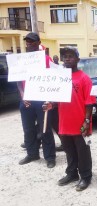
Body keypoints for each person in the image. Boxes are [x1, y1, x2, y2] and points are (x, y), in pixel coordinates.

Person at [43, 46, 96, 191]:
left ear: (77, 59)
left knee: (82, 151)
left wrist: (86, 121)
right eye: (65, 56)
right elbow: (58, 99)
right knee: (69, 151)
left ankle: (86, 176)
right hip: (64, 122)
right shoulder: (61, 78)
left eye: (71, 56)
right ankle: (72, 173)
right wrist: (51, 105)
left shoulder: (84, 78)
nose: (67, 58)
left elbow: (90, 102)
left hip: (80, 122)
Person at [18, 32, 56, 168]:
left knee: (45, 128)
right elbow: (18, 80)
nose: (28, 44)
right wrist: (22, 95)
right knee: (28, 129)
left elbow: (54, 78)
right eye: (27, 42)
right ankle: (32, 154)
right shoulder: (22, 60)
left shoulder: (46, 60)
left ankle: (50, 157)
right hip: (26, 100)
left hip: (42, 100)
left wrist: (50, 99)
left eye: (32, 41)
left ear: (39, 43)